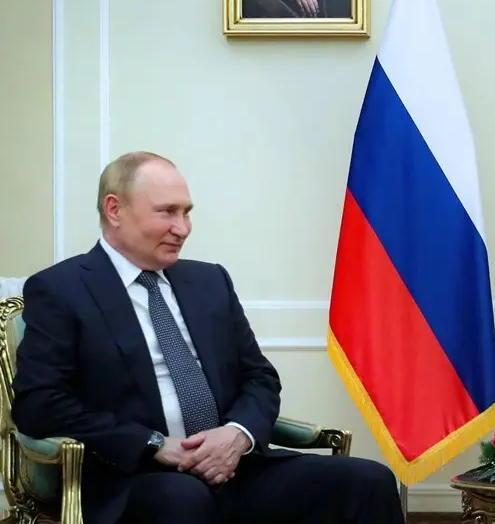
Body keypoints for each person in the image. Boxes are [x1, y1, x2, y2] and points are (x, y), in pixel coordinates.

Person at [11, 151, 404, 524]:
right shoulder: (62, 289)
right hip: (134, 476)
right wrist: (152, 444)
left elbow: (260, 378)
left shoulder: (209, 280)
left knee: (368, 481)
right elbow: (39, 404)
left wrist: (238, 434)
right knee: (183, 498)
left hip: (234, 468)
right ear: (115, 210)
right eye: (167, 212)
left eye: (187, 212)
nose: (183, 228)